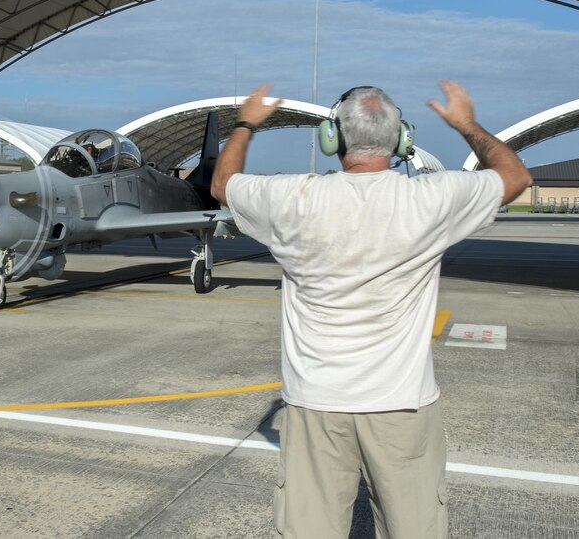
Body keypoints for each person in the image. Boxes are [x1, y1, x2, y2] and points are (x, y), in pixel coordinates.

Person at [210, 81, 531, 538]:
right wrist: (465, 123)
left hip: (315, 402)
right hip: (402, 405)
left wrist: (245, 124)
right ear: (401, 140)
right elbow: (515, 176)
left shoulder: (292, 199)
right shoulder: (429, 199)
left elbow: (223, 185)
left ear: (332, 139)